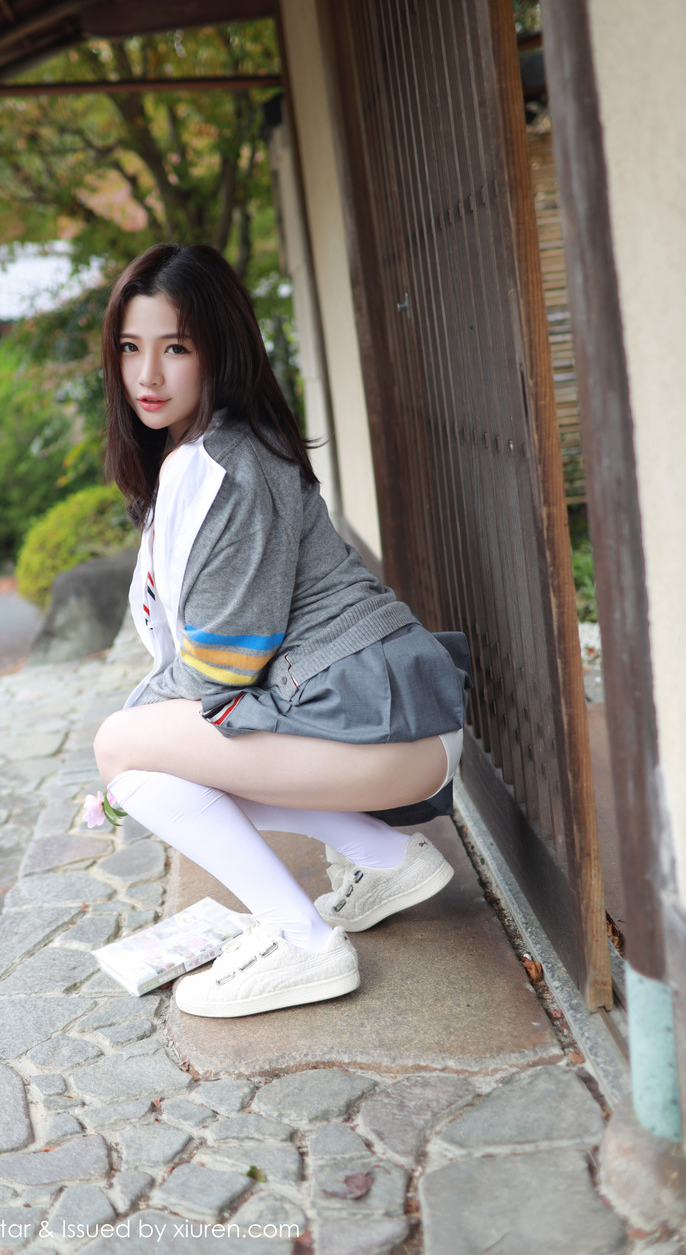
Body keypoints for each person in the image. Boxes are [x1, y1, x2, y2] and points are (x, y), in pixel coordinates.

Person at [90, 243, 470, 1019]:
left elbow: (220, 666)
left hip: (391, 728)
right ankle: (383, 856)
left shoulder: (227, 465)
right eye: (130, 347)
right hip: (385, 718)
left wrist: (134, 735)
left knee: (125, 752)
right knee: (143, 754)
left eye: (175, 348)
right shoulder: (202, 454)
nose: (147, 375)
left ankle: (300, 939)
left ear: (219, 350)